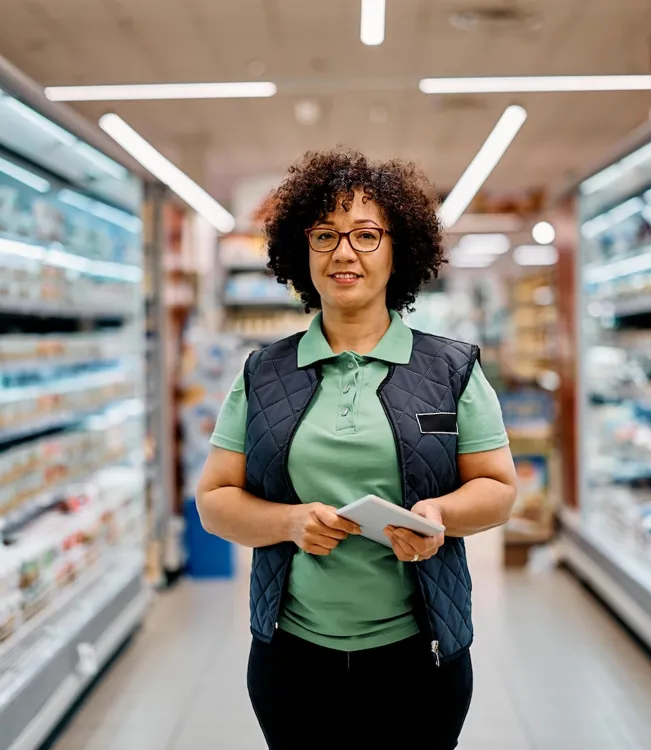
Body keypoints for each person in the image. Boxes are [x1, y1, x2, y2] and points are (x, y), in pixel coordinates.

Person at [197, 148, 517, 750]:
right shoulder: (263, 373)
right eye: (325, 235)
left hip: (421, 659)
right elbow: (214, 501)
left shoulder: (450, 369)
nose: (345, 252)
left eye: (366, 235)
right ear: (303, 251)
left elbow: (499, 490)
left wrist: (441, 516)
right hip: (291, 659)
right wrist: (289, 521)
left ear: (399, 250)